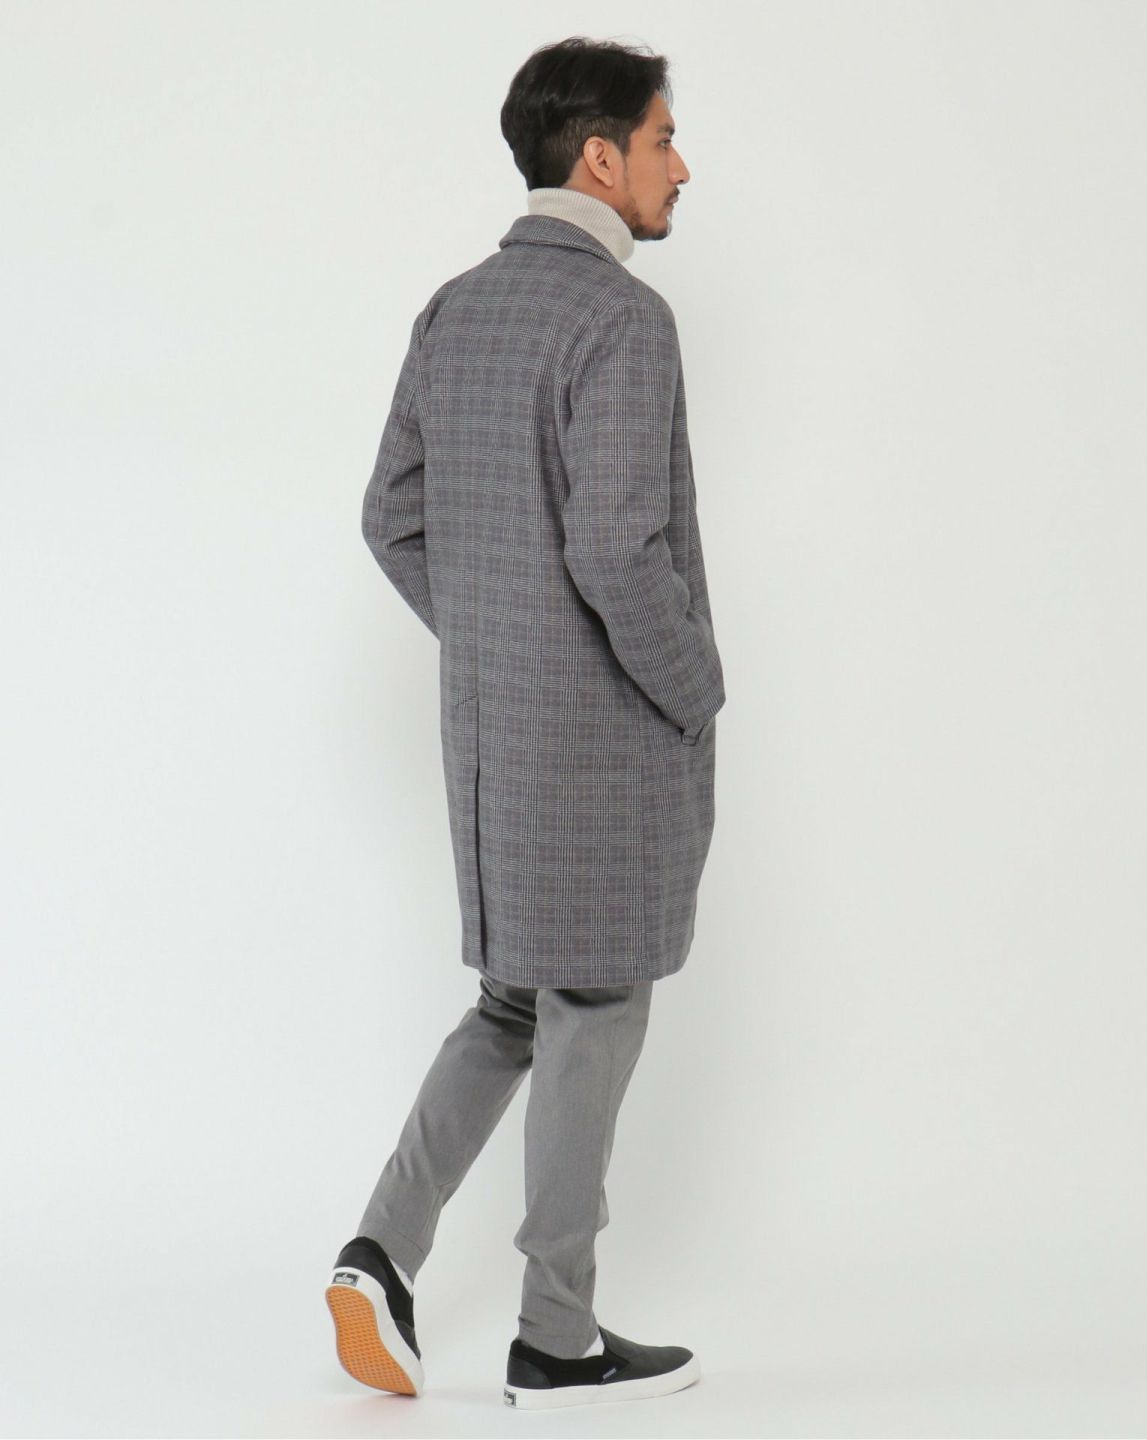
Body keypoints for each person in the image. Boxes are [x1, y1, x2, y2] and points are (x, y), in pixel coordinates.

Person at [324, 35, 725, 1411]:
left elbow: (393, 516)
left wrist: (502, 642)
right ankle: (557, 1339)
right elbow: (615, 548)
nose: (681, 166)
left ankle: (379, 1249)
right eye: (662, 139)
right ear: (599, 157)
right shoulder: (621, 321)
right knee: (593, 1002)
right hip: (601, 742)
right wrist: (695, 684)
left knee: (515, 998)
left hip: (495, 742)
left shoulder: (457, 310)